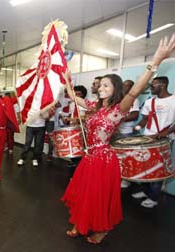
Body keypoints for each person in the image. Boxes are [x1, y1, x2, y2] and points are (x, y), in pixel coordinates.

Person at [61, 34, 175, 244]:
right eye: (100, 85)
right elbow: (74, 98)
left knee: (97, 196)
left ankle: (101, 230)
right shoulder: (94, 107)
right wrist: (67, 79)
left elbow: (136, 89)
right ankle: (80, 223)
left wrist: (156, 61)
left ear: (115, 89)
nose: (101, 88)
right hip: (89, 158)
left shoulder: (118, 109)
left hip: (104, 160)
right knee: (84, 193)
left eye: (107, 85)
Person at [131, 76, 175, 208]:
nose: (151, 88)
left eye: (153, 85)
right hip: (148, 138)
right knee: (145, 168)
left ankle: (154, 197)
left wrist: (165, 133)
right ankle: (146, 191)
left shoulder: (173, 100)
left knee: (158, 170)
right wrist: (137, 128)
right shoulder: (150, 102)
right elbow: (144, 120)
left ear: (163, 85)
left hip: (165, 141)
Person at [113, 80, 140, 189]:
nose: (124, 87)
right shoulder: (118, 100)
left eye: (127, 86)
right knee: (116, 158)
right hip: (115, 132)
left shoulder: (134, 100)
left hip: (126, 134)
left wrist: (118, 119)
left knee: (126, 158)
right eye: (123, 85)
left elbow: (134, 115)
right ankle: (117, 177)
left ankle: (126, 180)